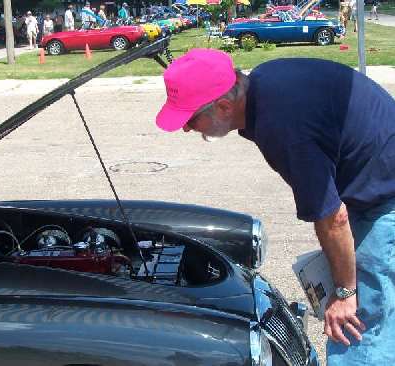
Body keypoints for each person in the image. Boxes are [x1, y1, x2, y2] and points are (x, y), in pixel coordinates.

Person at [155, 48, 395, 365]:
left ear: (224, 106)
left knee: (355, 319)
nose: (186, 128)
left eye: (190, 119)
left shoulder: (283, 124)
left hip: (382, 190)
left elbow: (333, 218)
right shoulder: (264, 83)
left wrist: (345, 294)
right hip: (371, 171)